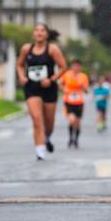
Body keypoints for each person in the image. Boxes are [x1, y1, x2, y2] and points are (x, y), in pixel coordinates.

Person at [16, 23, 67, 160]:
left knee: (49, 123)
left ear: (47, 34)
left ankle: (47, 136)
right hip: (32, 87)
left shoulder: (52, 49)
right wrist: (21, 76)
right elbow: (19, 64)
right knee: (36, 119)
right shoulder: (26, 49)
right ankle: (40, 150)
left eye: (42, 30)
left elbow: (63, 67)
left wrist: (51, 79)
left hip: (49, 88)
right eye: (36, 30)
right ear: (33, 33)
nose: (39, 33)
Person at [59, 59, 89, 148]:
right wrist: (64, 89)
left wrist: (83, 87)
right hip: (69, 101)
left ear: (80, 67)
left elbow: (86, 90)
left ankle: (76, 139)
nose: (76, 67)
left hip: (79, 102)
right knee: (72, 120)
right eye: (74, 65)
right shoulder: (66, 75)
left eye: (78, 66)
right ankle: (70, 138)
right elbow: (60, 84)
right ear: (71, 66)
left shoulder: (83, 76)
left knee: (78, 123)